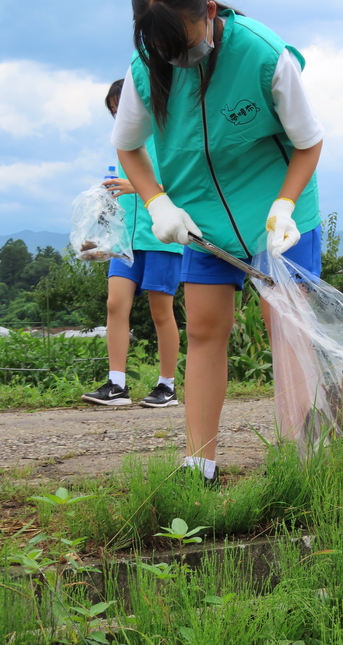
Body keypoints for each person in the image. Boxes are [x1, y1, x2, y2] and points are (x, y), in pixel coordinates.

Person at [112, 0, 324, 484]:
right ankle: (198, 463)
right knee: (206, 331)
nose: (180, 59)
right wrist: (157, 203)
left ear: (209, 11)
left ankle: (302, 460)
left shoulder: (265, 54)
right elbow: (128, 146)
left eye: (185, 44)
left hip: (278, 213)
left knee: (288, 332)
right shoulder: (147, 64)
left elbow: (309, 142)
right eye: (167, 50)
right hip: (201, 220)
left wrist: (286, 204)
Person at [81, 79, 184, 408]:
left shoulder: (171, 138)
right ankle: (116, 384)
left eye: (122, 106)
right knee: (115, 305)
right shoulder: (123, 143)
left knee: (160, 311)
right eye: (113, 111)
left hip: (162, 237)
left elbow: (182, 186)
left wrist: (135, 185)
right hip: (126, 240)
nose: (119, 114)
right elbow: (123, 194)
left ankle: (166, 386)